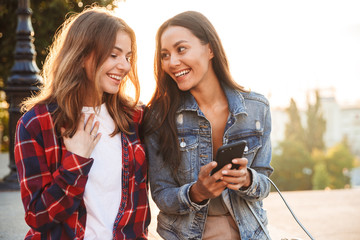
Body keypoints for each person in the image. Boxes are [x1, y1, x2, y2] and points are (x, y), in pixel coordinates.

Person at [14, 6, 150, 240]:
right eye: (114, 55)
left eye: (128, 57)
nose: (125, 66)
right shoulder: (37, 123)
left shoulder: (135, 118)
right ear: (82, 56)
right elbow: (38, 216)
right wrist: (76, 161)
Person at [143, 11, 273, 240]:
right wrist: (197, 193)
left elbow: (265, 182)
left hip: (250, 233)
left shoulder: (257, 108)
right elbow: (161, 194)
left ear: (210, 49)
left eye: (181, 49)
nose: (172, 62)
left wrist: (247, 180)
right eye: (165, 55)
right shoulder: (158, 117)